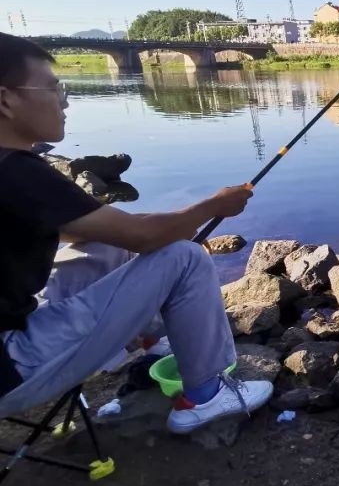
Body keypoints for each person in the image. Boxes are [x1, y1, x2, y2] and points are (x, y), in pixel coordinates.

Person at [0, 31, 272, 432]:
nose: (65, 101)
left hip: (13, 340)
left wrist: (161, 224)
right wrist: (215, 206)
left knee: (106, 245)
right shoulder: (16, 172)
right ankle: (207, 395)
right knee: (186, 257)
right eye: (54, 87)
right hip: (13, 365)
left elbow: (107, 233)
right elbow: (145, 238)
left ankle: (156, 344)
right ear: (6, 100)